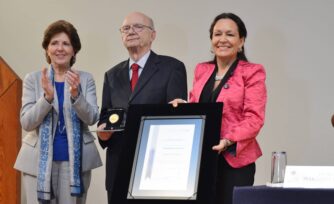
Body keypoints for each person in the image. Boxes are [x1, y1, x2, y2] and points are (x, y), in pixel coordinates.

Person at [170, 13, 267, 204]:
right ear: (211, 40)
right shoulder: (202, 69)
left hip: (235, 160)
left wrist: (228, 140)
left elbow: (254, 118)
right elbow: (200, 108)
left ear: (241, 41)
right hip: (202, 158)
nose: (222, 39)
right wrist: (184, 107)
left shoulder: (252, 71)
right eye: (217, 34)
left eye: (230, 35)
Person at [96, 11, 187, 203]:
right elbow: (106, 116)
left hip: (157, 169)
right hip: (118, 166)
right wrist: (103, 133)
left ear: (153, 35)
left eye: (138, 27)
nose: (131, 31)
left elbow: (178, 119)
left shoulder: (172, 68)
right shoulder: (111, 75)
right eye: (126, 28)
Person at [14, 20, 102, 204]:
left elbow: (92, 117)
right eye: (54, 43)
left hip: (75, 164)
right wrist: (46, 98)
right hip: (36, 163)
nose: (59, 48)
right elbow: (27, 122)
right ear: (47, 49)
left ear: (74, 50)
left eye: (66, 43)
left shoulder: (85, 79)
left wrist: (77, 96)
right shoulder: (33, 79)